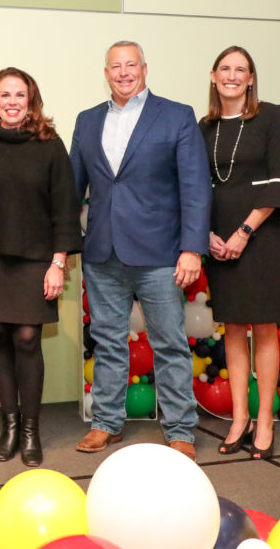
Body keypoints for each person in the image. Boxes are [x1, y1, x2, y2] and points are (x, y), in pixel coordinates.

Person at [70, 40, 211, 461]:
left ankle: (181, 429)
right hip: (102, 253)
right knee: (108, 342)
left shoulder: (176, 116)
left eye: (131, 65)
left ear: (145, 69)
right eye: (116, 66)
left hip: (161, 255)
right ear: (106, 73)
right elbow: (72, 190)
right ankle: (105, 423)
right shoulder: (87, 120)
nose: (124, 72)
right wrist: (61, 246)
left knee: (169, 343)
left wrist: (192, 249)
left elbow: (195, 187)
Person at [0, 67, 82, 466]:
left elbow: (65, 208)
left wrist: (58, 262)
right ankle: (9, 426)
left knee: (28, 338)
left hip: (36, 261)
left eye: (20, 95)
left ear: (30, 101)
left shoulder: (50, 146)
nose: (12, 102)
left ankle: (31, 430)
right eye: (5, 95)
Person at [199, 46, 280, 460]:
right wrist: (205, 234)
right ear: (213, 75)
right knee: (234, 329)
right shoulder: (203, 127)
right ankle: (239, 419)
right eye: (225, 69)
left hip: (260, 237)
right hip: (217, 241)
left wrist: (243, 231)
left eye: (241, 70)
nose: (233, 76)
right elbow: (194, 188)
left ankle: (265, 421)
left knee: (264, 328)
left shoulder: (271, 116)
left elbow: (278, 183)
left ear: (252, 78)